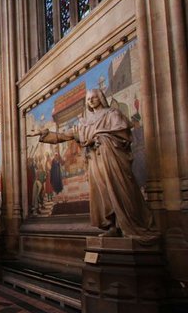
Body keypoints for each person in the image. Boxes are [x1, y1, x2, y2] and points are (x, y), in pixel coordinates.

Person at [28, 88, 156, 241]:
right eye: (88, 99)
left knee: (120, 189)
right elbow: (64, 136)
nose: (91, 101)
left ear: (100, 98)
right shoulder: (85, 123)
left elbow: (124, 135)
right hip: (95, 161)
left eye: (94, 97)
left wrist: (99, 137)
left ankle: (131, 223)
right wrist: (44, 134)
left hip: (112, 157)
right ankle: (112, 226)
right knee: (103, 193)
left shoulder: (112, 114)